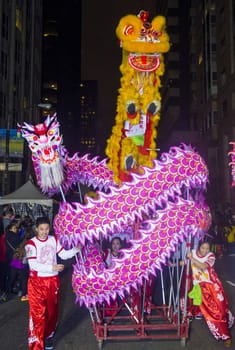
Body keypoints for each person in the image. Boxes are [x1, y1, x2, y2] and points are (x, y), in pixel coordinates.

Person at [25, 216, 82, 350]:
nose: (44, 232)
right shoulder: (31, 244)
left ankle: (48, 336)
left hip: (53, 281)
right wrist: (53, 267)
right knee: (38, 315)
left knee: (52, 313)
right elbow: (33, 265)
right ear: (36, 229)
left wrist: (76, 249)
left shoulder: (53, 239)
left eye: (46, 229)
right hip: (37, 283)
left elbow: (64, 254)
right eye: (41, 229)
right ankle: (36, 345)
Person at [187, 241, 234, 347]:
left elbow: (203, 267)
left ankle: (225, 325)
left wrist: (192, 258)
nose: (205, 250)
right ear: (199, 247)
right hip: (201, 288)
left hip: (213, 286)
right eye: (203, 248)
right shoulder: (192, 253)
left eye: (207, 248)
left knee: (222, 309)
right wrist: (175, 263)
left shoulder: (211, 256)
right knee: (216, 312)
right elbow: (185, 263)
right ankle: (226, 336)